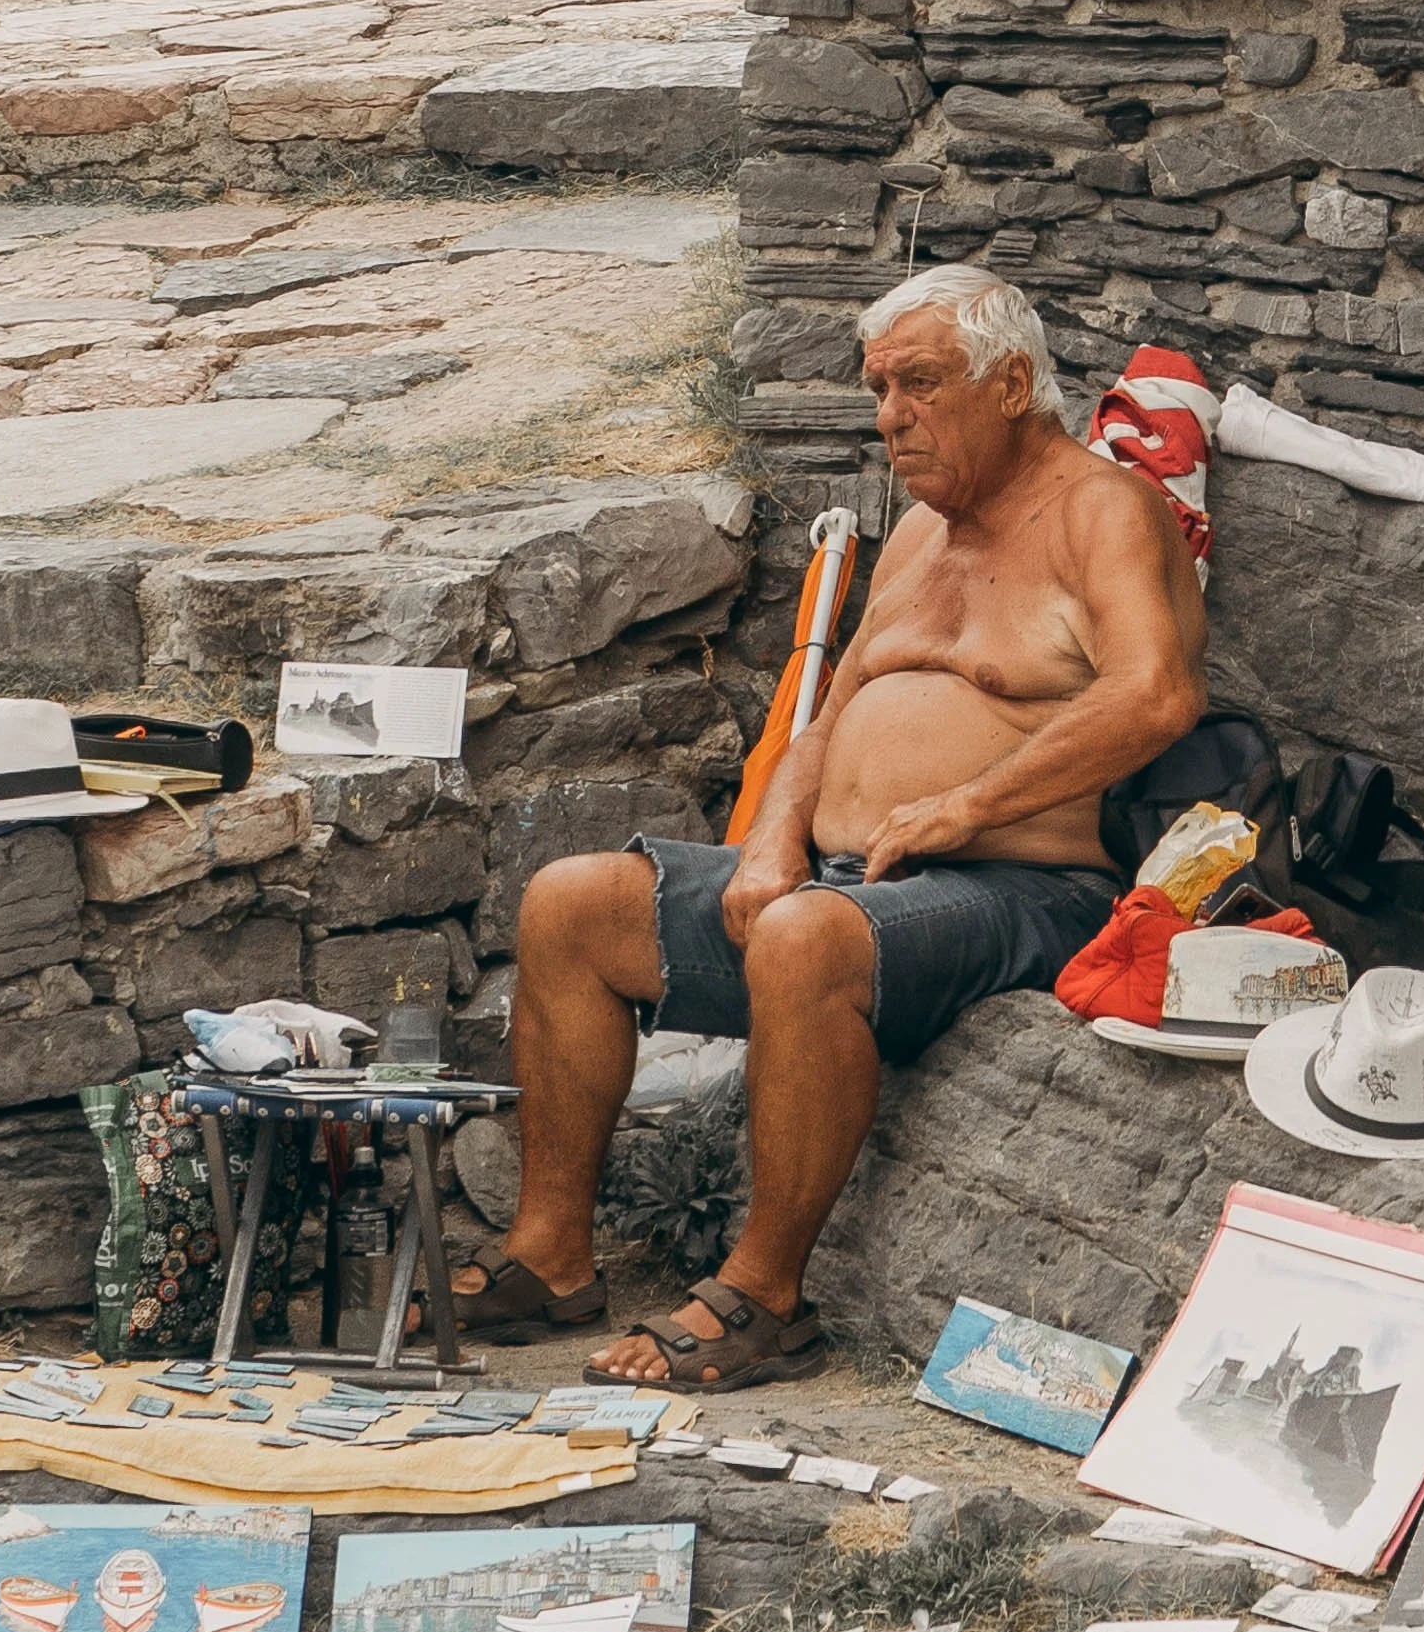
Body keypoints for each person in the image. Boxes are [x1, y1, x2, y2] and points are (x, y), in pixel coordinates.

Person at [453, 265, 1210, 1388]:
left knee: (804, 936)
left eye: (919, 385)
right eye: (877, 389)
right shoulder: (917, 534)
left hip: (1024, 888)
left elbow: (1154, 694)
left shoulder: (1103, 511)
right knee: (572, 902)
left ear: (1010, 386)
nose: (890, 416)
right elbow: (832, 714)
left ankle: (766, 1297)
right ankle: (551, 1255)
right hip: (853, 876)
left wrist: (965, 804)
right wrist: (770, 838)